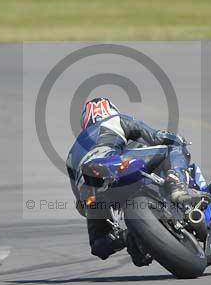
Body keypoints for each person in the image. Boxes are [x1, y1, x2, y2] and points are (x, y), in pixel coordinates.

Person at [66, 97, 200, 264]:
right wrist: (177, 140)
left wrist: (91, 206)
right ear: (111, 111)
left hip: (91, 189)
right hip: (112, 164)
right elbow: (156, 136)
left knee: (98, 243)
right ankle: (176, 184)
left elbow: (80, 204)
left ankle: (127, 236)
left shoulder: (71, 154)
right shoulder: (116, 120)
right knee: (172, 149)